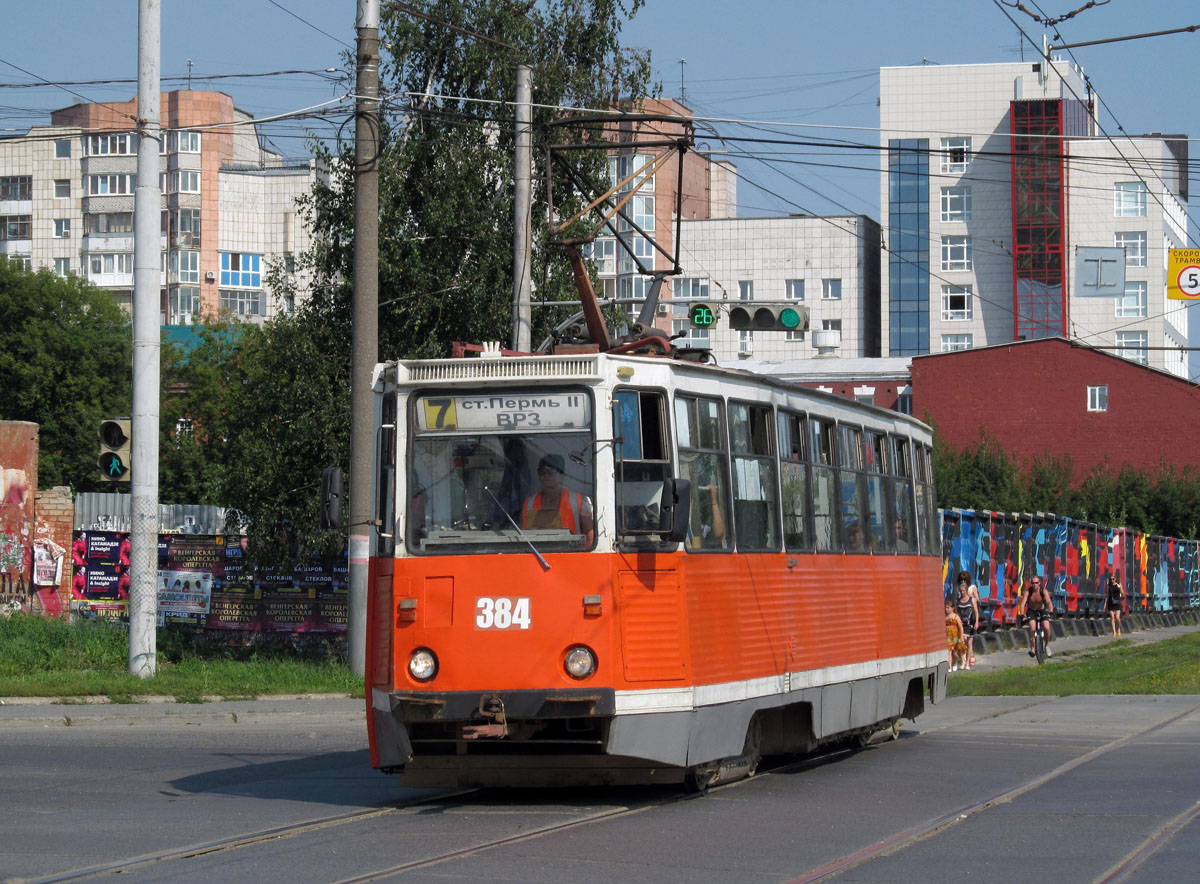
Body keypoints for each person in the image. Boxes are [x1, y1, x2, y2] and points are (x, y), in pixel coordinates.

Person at [522, 454, 594, 544]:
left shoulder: (580, 501)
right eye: (542, 472)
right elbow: (523, 535)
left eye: (551, 471)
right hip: (536, 555)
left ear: (562, 475)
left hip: (571, 555)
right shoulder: (529, 503)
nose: (546, 475)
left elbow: (590, 534)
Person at [1018, 575, 1053, 658]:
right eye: (1033, 583)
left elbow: (1049, 602)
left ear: (1040, 583)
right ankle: (1033, 648)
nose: (1034, 585)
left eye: (1036, 583)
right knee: (1032, 628)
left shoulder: (1043, 591)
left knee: (1046, 627)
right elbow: (1022, 604)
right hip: (1031, 611)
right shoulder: (1028, 592)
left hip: (1042, 610)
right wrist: (1023, 614)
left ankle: (1047, 646)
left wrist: (1050, 612)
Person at [954, 570, 981, 670]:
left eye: (965, 579)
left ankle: (970, 657)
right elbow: (957, 601)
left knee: (968, 640)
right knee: (963, 640)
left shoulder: (972, 587)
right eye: (961, 579)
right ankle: (965, 660)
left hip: (970, 616)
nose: (963, 581)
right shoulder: (959, 589)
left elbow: (977, 600)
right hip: (962, 615)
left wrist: (971, 598)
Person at [945, 601, 968, 672]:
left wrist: (961, 636)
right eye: (945, 608)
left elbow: (960, 627)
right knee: (949, 652)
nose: (946, 609)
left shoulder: (956, 616)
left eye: (948, 608)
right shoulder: (945, 617)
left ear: (952, 608)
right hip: (948, 637)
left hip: (955, 637)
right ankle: (949, 667)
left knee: (955, 653)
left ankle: (954, 663)